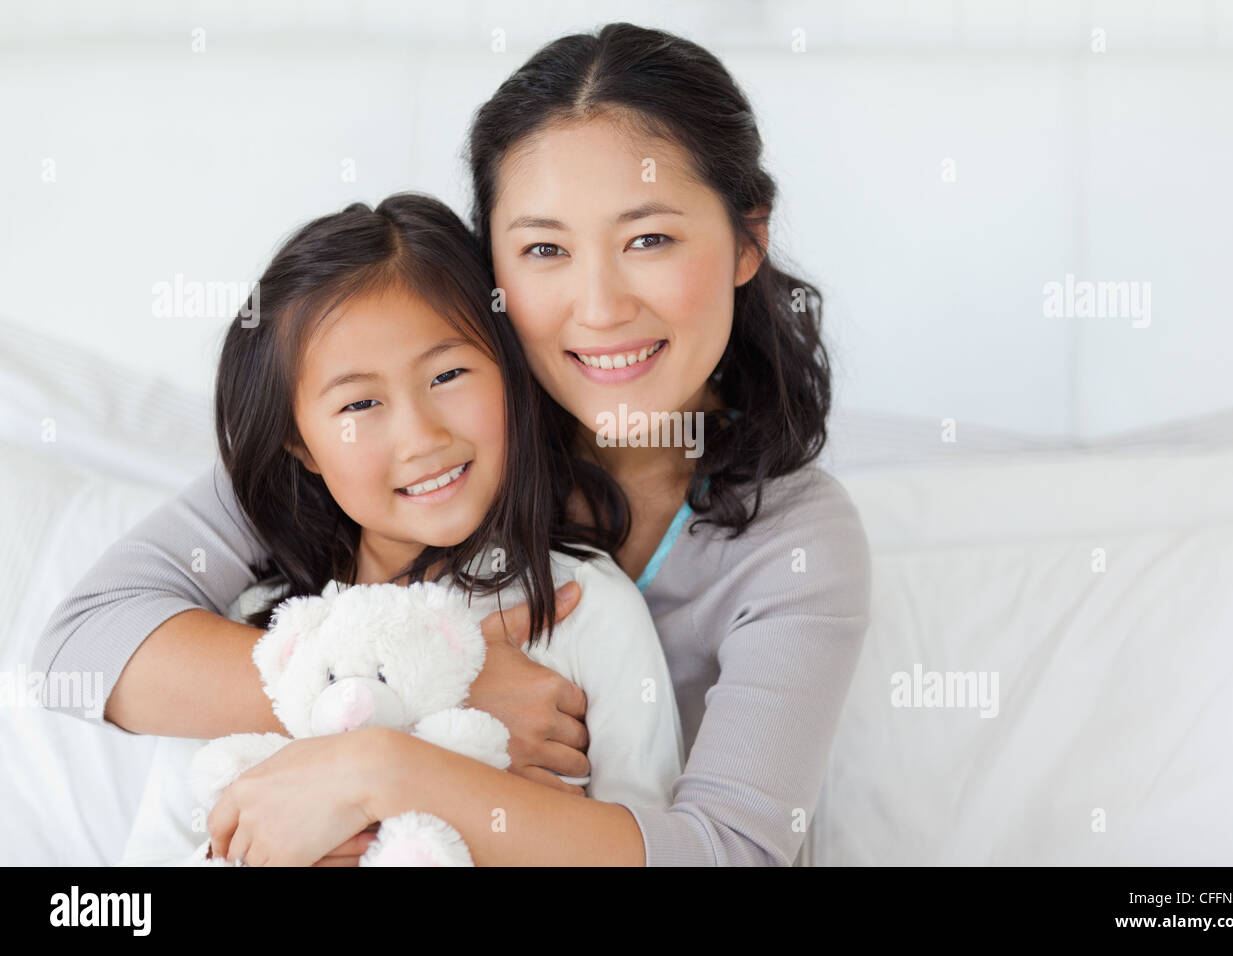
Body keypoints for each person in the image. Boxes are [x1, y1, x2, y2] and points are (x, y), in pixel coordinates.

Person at [33, 22, 870, 866]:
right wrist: (407, 686)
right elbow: (87, 644)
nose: (600, 306)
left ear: (747, 239)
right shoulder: (418, 445)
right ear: (489, 274)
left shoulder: (791, 540)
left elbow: (734, 853)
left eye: (648, 239)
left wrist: (380, 762)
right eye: (544, 248)